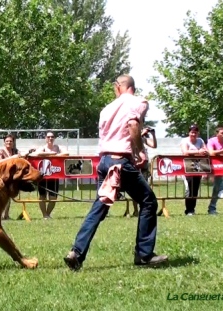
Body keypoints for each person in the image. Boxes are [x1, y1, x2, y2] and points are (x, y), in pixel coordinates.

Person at [63, 74, 167, 271]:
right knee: (148, 201)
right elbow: (133, 125)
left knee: (99, 207)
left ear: (118, 87)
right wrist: (139, 153)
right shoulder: (138, 102)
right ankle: (144, 255)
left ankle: (76, 253)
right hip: (121, 162)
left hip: (105, 161)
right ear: (130, 87)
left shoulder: (106, 109)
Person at [32, 132, 69, 219]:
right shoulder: (42, 148)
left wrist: (55, 154)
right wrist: (51, 154)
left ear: (54, 138)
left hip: (55, 176)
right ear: (45, 138)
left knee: (53, 197)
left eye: (52, 137)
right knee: (42, 196)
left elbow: (66, 153)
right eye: (48, 137)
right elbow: (37, 154)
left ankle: (47, 214)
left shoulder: (58, 147)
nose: (50, 138)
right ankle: (44, 215)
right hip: (43, 177)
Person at [0, 134, 31, 220]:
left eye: (11, 141)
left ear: (13, 142)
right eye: (7, 141)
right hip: (2, 176)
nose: (9, 143)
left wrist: (29, 151)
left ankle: (6, 215)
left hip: (12, 178)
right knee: (2, 196)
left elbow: (21, 156)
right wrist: (12, 158)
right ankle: (0, 215)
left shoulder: (15, 151)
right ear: (4, 143)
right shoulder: (1, 151)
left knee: (8, 196)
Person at [127, 126, 158, 217]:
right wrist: (141, 134)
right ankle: (136, 210)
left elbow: (154, 145)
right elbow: (133, 142)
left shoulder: (143, 139)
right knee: (135, 189)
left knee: (144, 189)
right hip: (135, 165)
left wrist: (153, 135)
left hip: (144, 166)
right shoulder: (133, 137)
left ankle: (143, 209)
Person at [180, 124, 208, 216]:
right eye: (192, 132)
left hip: (198, 167)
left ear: (198, 133)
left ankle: (192, 209)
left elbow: (205, 150)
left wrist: (199, 152)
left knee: (195, 189)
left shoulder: (200, 140)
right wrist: (198, 152)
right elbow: (185, 152)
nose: (193, 134)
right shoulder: (184, 141)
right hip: (187, 167)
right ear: (189, 132)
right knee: (189, 189)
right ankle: (188, 209)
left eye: (195, 132)